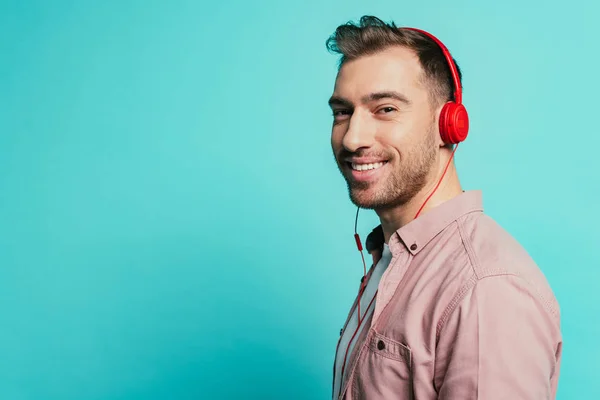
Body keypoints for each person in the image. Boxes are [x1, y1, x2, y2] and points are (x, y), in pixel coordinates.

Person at [326, 16, 562, 399]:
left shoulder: (485, 290)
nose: (352, 138)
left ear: (450, 125)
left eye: (385, 109)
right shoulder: (390, 258)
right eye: (342, 112)